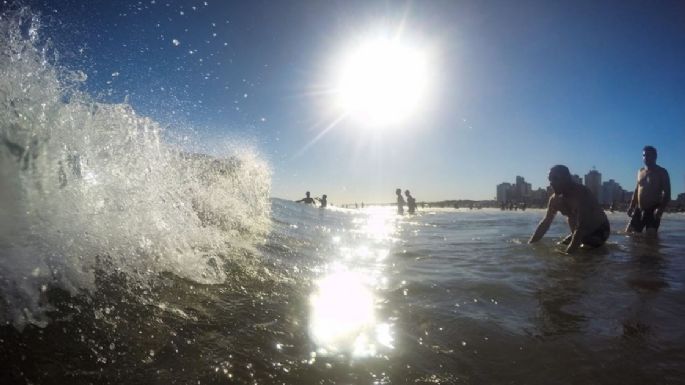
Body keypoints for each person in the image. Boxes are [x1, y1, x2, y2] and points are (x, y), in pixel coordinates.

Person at [529, 165, 610, 254]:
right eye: (550, 179)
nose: (551, 183)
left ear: (567, 178)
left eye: (555, 178)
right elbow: (545, 223)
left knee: (582, 255)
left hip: (599, 231)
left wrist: (568, 255)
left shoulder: (581, 194)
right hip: (578, 233)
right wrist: (531, 244)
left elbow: (582, 226)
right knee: (560, 246)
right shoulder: (555, 200)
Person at [626, 146, 671, 235]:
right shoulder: (640, 171)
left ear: (655, 156)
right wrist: (631, 206)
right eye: (644, 155)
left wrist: (660, 209)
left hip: (653, 209)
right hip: (639, 209)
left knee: (651, 240)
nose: (646, 158)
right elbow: (636, 190)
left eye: (648, 155)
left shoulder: (662, 172)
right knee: (629, 234)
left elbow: (667, 193)